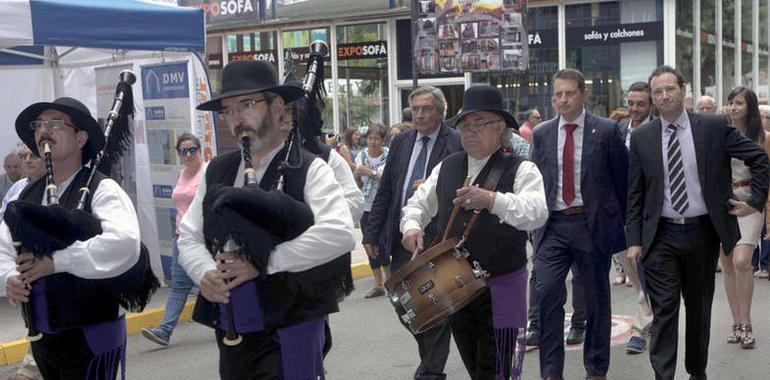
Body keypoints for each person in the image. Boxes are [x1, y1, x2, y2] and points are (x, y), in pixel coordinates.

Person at [178, 60, 355, 379]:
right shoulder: (217, 170)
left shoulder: (310, 168)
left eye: (246, 104)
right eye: (227, 110)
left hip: (290, 326)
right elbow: (189, 236)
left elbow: (339, 233)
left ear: (276, 107)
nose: (236, 118)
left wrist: (264, 261)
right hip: (233, 324)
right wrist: (204, 272)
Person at [626, 65, 769, 380]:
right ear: (653, 97)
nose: (664, 96)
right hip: (660, 234)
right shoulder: (642, 137)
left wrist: (754, 201)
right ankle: (663, 375)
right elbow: (635, 192)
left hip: (702, 232)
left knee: (698, 307)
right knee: (664, 308)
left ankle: (696, 371)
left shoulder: (713, 126)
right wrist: (634, 239)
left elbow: (758, 157)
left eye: (670, 89)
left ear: (683, 90)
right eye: (658, 91)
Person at [401, 85, 547, 379]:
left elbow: (537, 212)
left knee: (498, 369)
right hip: (457, 287)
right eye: (465, 125)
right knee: (473, 362)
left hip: (502, 284)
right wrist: (412, 226)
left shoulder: (522, 169)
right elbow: (418, 203)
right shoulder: (447, 167)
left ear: (500, 127)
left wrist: (493, 200)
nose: (469, 131)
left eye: (479, 124)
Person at [0, 97, 141, 379]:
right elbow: (4, 246)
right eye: (39, 125)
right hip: (43, 336)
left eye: (55, 124)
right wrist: (9, 276)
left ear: (80, 138)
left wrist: (59, 261)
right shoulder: (27, 194)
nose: (44, 131)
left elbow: (125, 244)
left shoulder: (103, 189)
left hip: (90, 337)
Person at [530, 68, 628, 380]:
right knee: (546, 293)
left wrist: (623, 228)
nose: (563, 99)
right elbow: (536, 182)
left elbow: (623, 182)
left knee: (596, 300)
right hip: (553, 227)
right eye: (557, 94)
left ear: (583, 95)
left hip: (591, 225)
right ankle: (550, 372)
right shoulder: (543, 133)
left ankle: (596, 369)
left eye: (569, 93)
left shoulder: (608, 130)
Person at [363, 85, 462, 380]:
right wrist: (370, 234)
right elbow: (387, 190)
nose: (419, 114)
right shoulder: (402, 141)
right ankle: (430, 358)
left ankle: (430, 371)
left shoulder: (455, 142)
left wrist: (437, 188)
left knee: (434, 306)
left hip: (438, 238)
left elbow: (464, 184)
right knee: (404, 304)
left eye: (427, 108)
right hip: (403, 239)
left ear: (441, 112)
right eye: (415, 109)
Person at [720, 85, 770, 349]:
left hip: (751, 202)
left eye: (739, 102)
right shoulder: (721, 134)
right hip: (724, 202)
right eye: (731, 102)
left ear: (749, 106)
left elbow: (767, 179)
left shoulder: (763, 138)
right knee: (727, 262)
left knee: (742, 261)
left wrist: (762, 209)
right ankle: (736, 322)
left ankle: (747, 322)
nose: (733, 107)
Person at [142, 133, 204, 347]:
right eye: (183, 151)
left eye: (192, 150)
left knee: (211, 283)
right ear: (178, 154)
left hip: (201, 239)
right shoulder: (182, 174)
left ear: (199, 150)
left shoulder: (207, 172)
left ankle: (238, 321)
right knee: (179, 286)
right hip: (181, 236)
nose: (188, 155)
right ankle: (164, 331)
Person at [616, 81, 655, 354]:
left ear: (650, 104)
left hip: (649, 211)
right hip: (619, 211)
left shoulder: (659, 130)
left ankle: (643, 325)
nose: (634, 108)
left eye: (640, 103)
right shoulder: (617, 130)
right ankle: (651, 314)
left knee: (644, 266)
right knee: (632, 270)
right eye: (631, 103)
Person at [354, 124, 390, 298]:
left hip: (383, 207)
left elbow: (388, 180)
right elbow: (357, 174)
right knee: (369, 243)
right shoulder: (361, 155)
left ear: (383, 140)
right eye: (370, 138)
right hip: (366, 207)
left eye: (376, 138)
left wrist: (371, 172)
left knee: (383, 243)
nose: (373, 142)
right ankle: (378, 284)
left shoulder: (389, 155)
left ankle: (390, 280)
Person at [1, 145, 45, 216]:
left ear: (45, 159)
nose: (28, 160)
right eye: (24, 156)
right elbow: (2, 215)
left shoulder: (54, 185)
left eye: (33, 156)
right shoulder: (17, 187)